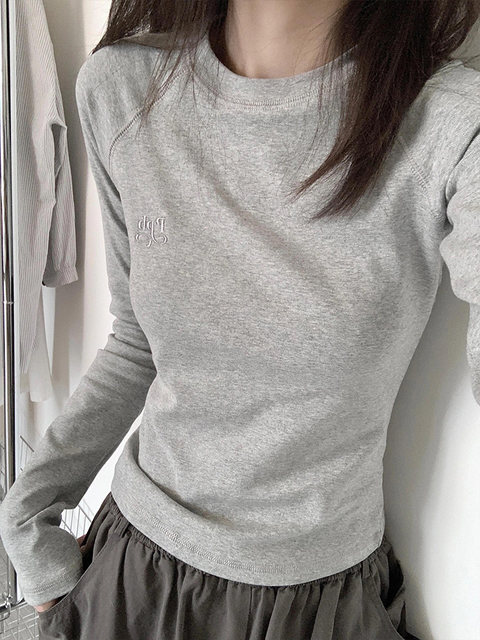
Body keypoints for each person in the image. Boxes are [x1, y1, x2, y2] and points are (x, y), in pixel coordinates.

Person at [0, 1, 479, 638]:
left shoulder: (452, 123)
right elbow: (136, 341)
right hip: (132, 574)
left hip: (317, 604)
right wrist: (27, 512)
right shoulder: (122, 88)